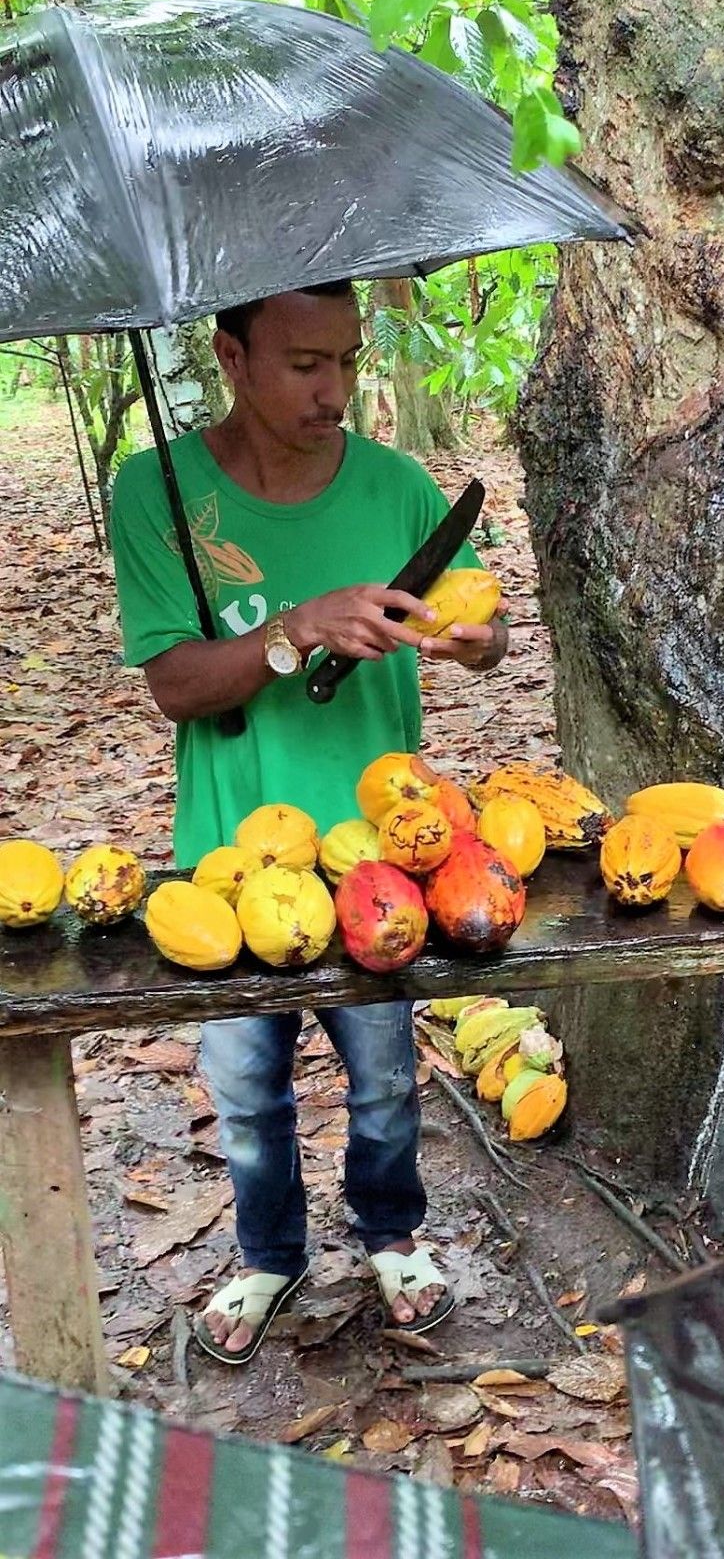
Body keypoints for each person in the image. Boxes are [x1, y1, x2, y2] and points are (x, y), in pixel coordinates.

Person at [110, 282, 508, 1364]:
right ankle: (270, 1253)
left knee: (382, 1074)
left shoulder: (396, 486)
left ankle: (390, 1231)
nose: (335, 389)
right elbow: (178, 685)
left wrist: (478, 641)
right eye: (303, 364)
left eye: (347, 358)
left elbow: (483, 616)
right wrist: (295, 626)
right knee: (246, 1086)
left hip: (385, 846)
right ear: (229, 355)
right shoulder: (156, 492)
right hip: (231, 847)